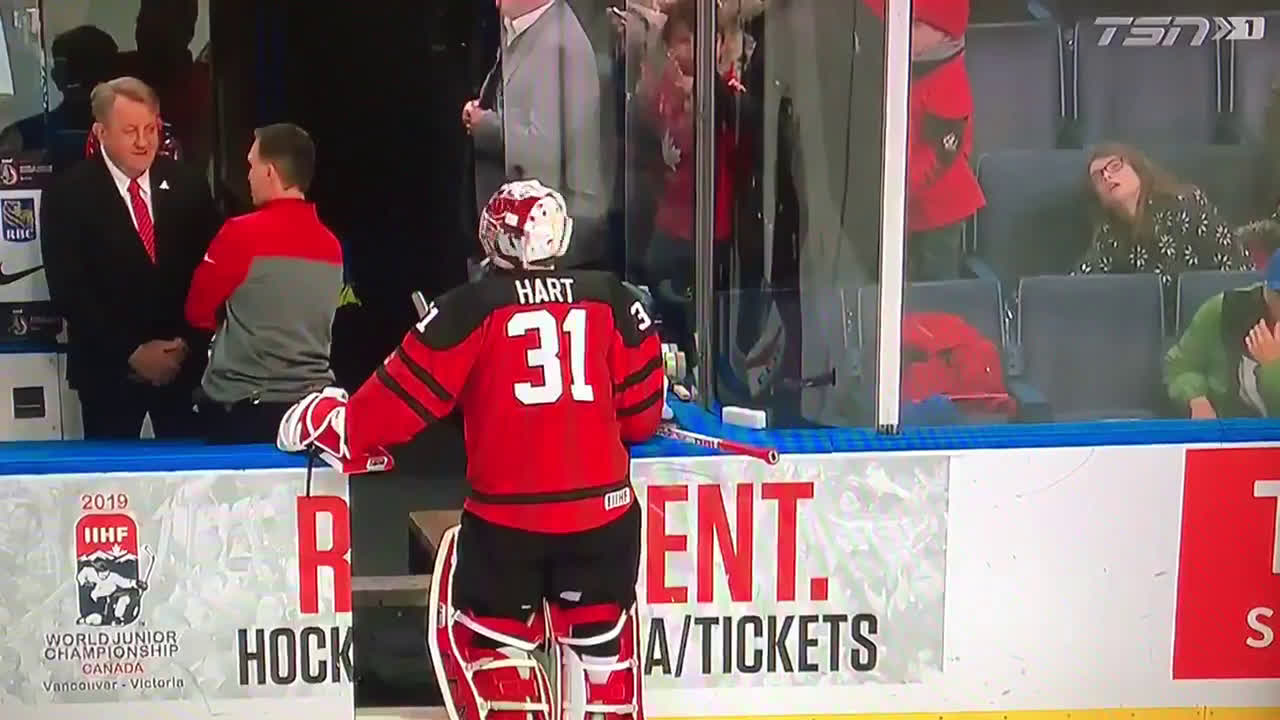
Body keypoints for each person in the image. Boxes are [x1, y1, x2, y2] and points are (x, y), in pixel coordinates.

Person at [278, 179, 662, 720]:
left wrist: (328, 420)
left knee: (492, 647)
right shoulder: (615, 300)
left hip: (508, 528)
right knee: (602, 649)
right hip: (604, 522)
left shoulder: (468, 309)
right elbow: (642, 418)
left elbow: (384, 415)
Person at [40, 76, 220, 439]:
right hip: (107, 374)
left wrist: (185, 345)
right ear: (101, 133)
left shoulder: (189, 185)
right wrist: (132, 353)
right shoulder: (67, 194)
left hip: (183, 367)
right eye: (130, 131)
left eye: (150, 129)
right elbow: (69, 290)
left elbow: (211, 273)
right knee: (111, 472)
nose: (143, 141)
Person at [184, 123, 342, 444]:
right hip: (309, 418)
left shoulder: (240, 234)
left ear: (269, 172)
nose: (248, 176)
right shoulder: (332, 246)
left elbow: (197, 312)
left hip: (244, 413)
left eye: (251, 165)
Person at [463, 0, 606, 269]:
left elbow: (545, 148)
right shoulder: (518, 27)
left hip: (547, 239)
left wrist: (486, 126)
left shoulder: (561, 44)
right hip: (510, 236)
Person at [1077, 143, 1250, 320]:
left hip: (1209, 315)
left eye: (1115, 166)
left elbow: (1236, 268)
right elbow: (1081, 285)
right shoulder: (1108, 233)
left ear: (1138, 169)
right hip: (1147, 325)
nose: (1107, 176)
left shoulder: (1185, 205)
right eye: (1097, 177)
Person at [1164, 224, 1280, 419]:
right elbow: (1181, 366)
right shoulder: (1223, 309)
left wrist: (1273, 368)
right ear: (1266, 287)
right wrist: (1196, 398)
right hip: (1226, 428)